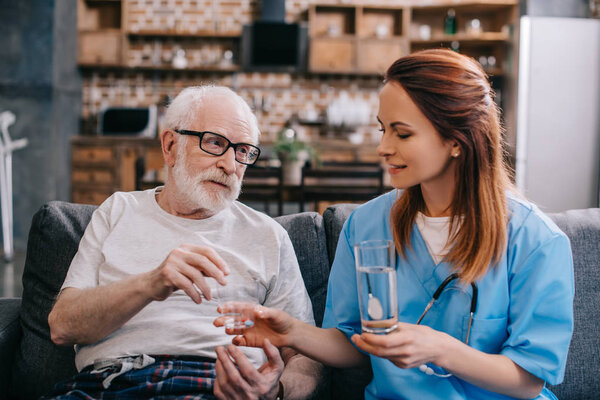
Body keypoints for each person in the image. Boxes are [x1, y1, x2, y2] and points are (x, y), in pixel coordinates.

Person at [215, 49, 574, 400]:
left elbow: (529, 380)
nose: (383, 148)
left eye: (402, 134)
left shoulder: (535, 240)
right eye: (382, 129)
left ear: (456, 139)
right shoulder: (366, 225)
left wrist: (440, 349)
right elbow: (354, 343)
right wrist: (291, 331)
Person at [46, 86, 322, 400]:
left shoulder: (268, 235)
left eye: (243, 151)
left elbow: (305, 355)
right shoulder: (117, 211)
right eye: (215, 143)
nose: (231, 165)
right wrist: (151, 283)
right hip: (110, 382)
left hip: (218, 386)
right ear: (170, 146)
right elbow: (62, 326)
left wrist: (279, 389)